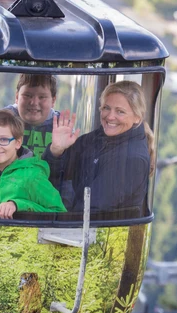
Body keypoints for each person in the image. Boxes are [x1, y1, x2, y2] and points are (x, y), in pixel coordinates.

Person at [44, 80, 154, 214]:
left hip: (97, 232)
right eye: (106, 108)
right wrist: (56, 150)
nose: (110, 116)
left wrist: (56, 222)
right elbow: (52, 175)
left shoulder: (131, 159)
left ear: (137, 117)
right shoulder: (99, 138)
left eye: (120, 112)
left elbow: (91, 211)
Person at [0, 74, 59, 153]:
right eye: (27, 95)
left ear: (53, 100)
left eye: (42, 97)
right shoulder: (1, 120)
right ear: (17, 96)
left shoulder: (61, 126)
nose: (34, 102)